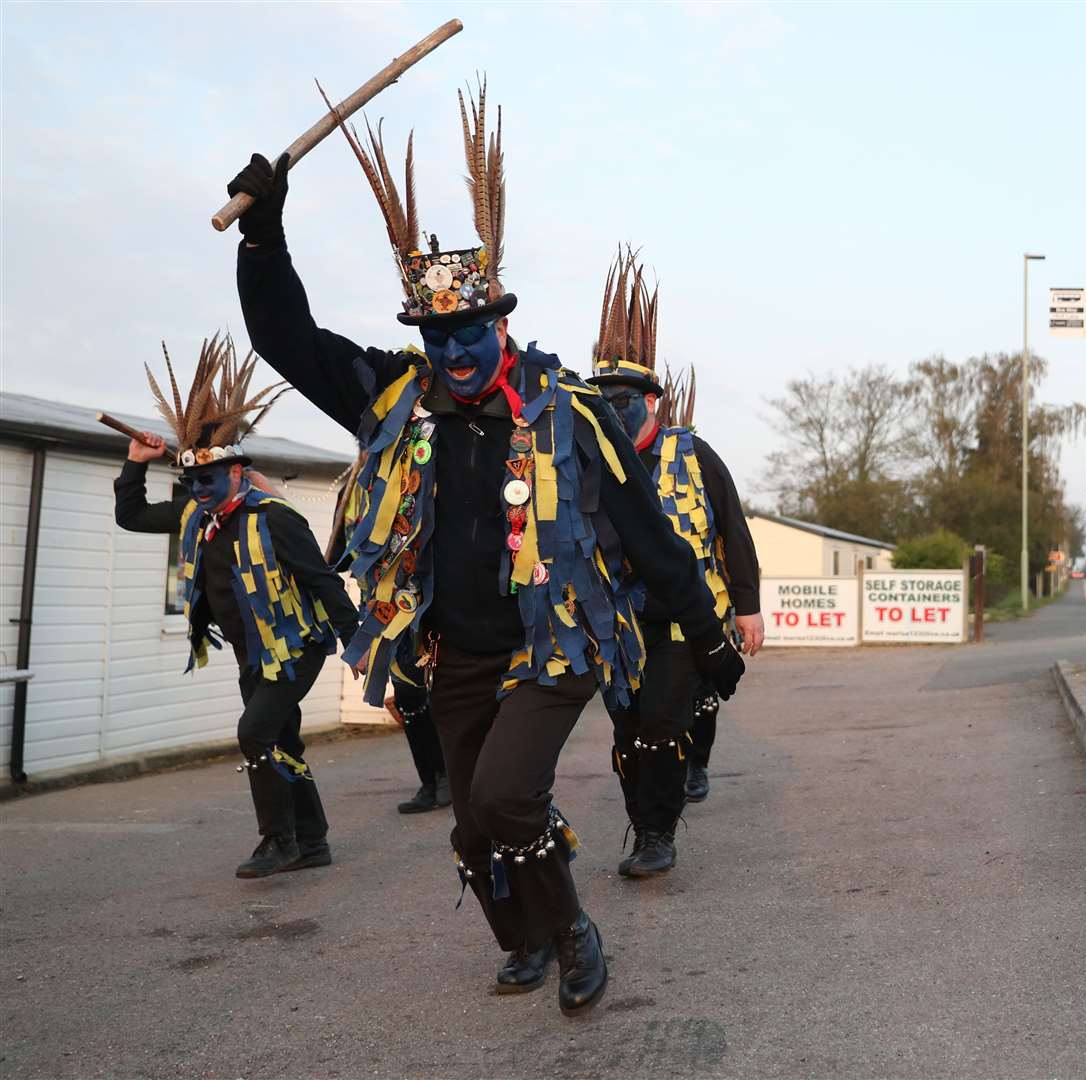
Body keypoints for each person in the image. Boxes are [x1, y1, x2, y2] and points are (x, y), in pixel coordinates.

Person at [225, 82, 743, 1009]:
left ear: (501, 322)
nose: (455, 351)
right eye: (437, 335)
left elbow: (646, 530)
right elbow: (287, 339)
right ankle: (529, 936)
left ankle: (574, 930)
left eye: (469, 330)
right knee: (473, 828)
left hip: (554, 643)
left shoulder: (572, 412)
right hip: (454, 651)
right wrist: (266, 240)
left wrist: (709, 631)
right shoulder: (397, 398)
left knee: (507, 798)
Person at [114, 334, 359, 878]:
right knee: (282, 737)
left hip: (296, 646)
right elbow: (130, 516)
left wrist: (357, 642)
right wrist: (135, 462)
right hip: (253, 652)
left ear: (237, 472)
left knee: (254, 734)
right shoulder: (194, 517)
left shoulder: (274, 517)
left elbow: (321, 580)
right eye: (190, 480)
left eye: (208, 478)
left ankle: (279, 841)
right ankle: (312, 842)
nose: (198, 488)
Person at [588, 250, 763, 875]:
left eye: (626, 397)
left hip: (688, 624)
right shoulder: (581, 464)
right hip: (615, 630)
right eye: (602, 397)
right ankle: (644, 819)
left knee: (662, 724)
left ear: (652, 402)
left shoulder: (696, 455)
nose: (615, 406)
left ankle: (656, 835)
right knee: (627, 732)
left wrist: (747, 608)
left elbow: (733, 532)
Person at [327, 455, 448, 814]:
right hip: (383, 612)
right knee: (409, 696)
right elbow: (340, 557)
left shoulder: (423, 473)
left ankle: (456, 778)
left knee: (443, 693)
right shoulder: (354, 489)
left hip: (431, 603)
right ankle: (432, 780)